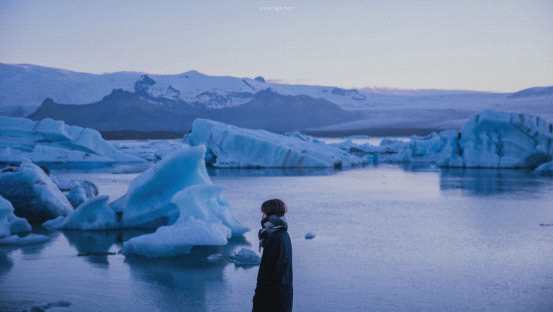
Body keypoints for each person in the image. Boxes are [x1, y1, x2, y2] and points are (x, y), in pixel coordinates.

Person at [252, 199, 293, 312]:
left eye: (264, 213)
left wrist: (259, 301)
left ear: (270, 214)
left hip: (272, 301)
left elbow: (268, 274)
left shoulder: (275, 238)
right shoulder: (283, 234)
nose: (262, 216)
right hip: (282, 298)